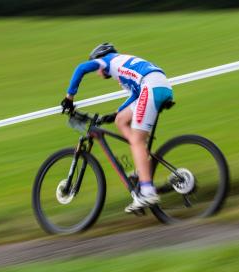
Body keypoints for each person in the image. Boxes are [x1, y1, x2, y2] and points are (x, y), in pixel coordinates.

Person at [61, 43, 173, 213]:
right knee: (121, 120)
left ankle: (147, 192)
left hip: (151, 87)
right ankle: (142, 164)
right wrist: (115, 113)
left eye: (97, 67)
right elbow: (136, 94)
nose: (99, 72)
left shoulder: (107, 61)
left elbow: (81, 68)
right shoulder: (122, 63)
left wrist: (69, 98)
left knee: (136, 139)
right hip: (157, 85)